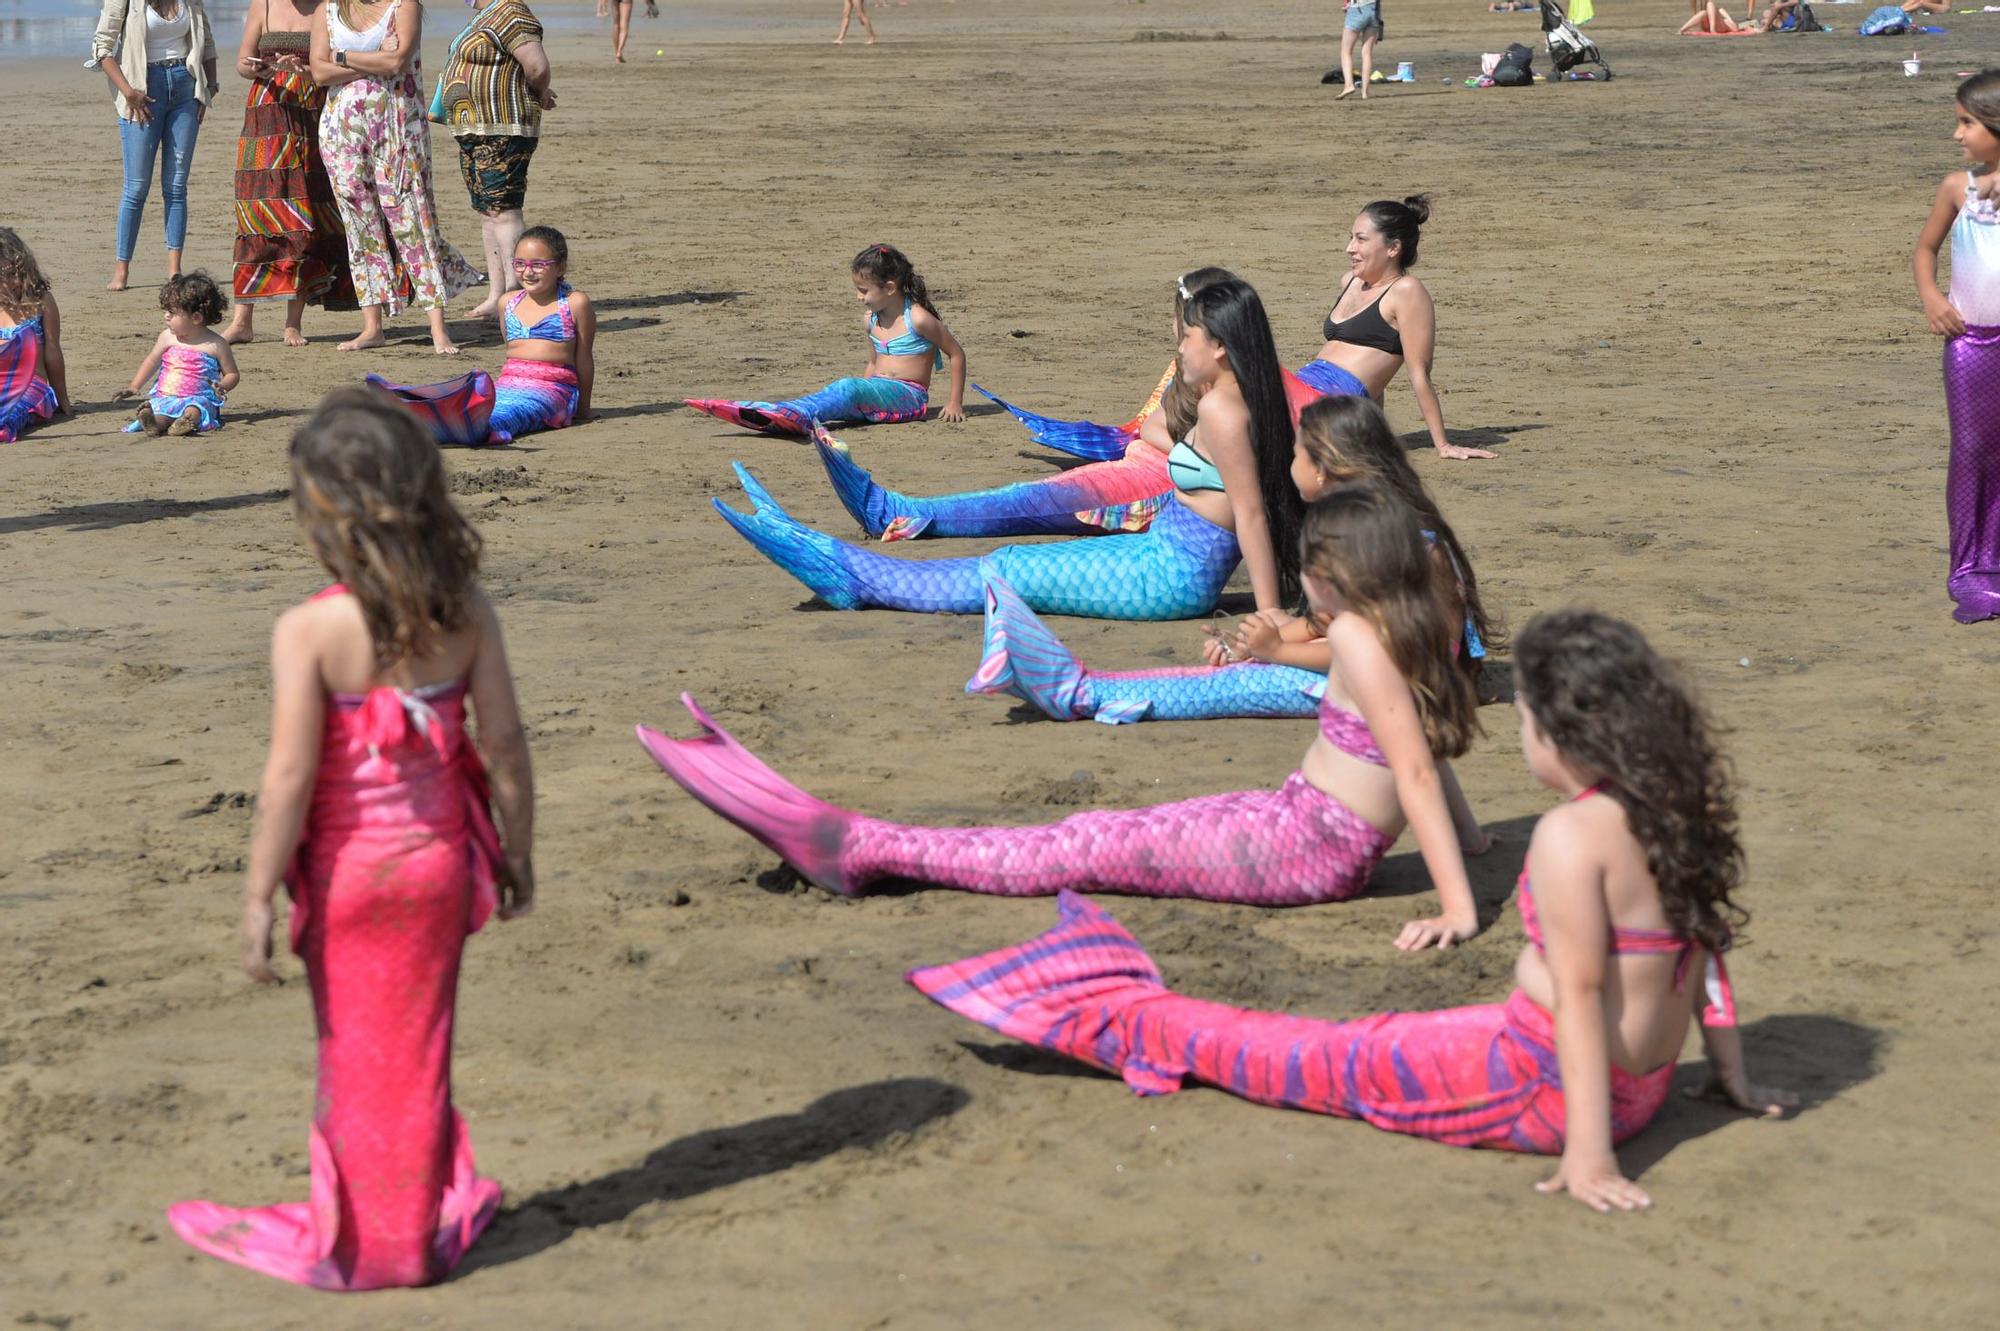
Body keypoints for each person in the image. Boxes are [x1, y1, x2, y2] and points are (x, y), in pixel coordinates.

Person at [913, 609, 1795, 1210]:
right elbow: (1703, 956)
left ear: (1567, 732)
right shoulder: (1667, 811)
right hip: (1637, 1088)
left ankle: (1120, 1010)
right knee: (1357, 1039)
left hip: (1545, 1088)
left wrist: (1590, 1156)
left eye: (1527, 721)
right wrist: (1730, 1076)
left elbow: (1578, 990)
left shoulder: (1573, 838)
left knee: (1306, 1054)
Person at [643, 483, 1486, 941]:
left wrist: (1456, 904)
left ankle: (869, 849)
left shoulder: (1366, 645)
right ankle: (874, 845)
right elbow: (1420, 753)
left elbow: (1411, 768)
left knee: (1083, 844)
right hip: (1294, 822)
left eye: (1312, 570)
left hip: (1306, 847)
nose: (1301, 584)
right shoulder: (1393, 634)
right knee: (1103, 833)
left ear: (1344, 573)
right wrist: (1476, 842)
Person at [166, 389, 535, 1289]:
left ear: (321, 513)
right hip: (441, 866)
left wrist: (258, 896)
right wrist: (518, 850)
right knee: (421, 1053)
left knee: (355, 1052)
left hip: (348, 880)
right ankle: (404, 1224)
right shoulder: (464, 610)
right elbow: (505, 742)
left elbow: (289, 779)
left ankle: (377, 1242)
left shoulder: (309, 630)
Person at [713, 276, 1305, 621]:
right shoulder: (1228, 397)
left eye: (1189, 333)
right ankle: (866, 570)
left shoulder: (1226, 410)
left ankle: (862, 580)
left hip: (1171, 576)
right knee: (1010, 564)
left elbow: (1253, 513)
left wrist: (1269, 617)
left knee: (1010, 571)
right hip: (1164, 556)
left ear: (1222, 345)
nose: (1178, 343)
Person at [973, 394, 1497, 725]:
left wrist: (1276, 653)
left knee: (1218, 688)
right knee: (1234, 671)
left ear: (1326, 468)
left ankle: (1078, 690)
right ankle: (1076, 685)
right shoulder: (1385, 520)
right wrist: (1257, 642)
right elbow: (1333, 624)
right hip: (1410, 676)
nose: (1287, 463)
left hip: (1404, 691)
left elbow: (1361, 648)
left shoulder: (1380, 538)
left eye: (1297, 453)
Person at [808, 266, 1323, 542]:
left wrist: (1167, 444)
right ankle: (904, 511)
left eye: (1179, 321)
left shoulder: (1248, 386)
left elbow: (1286, 458)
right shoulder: (1196, 365)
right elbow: (1155, 429)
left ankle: (900, 512)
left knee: (1033, 503)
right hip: (1142, 468)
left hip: (1155, 486)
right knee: (1032, 496)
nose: (1173, 331)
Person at [312, 0, 482, 355]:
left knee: (413, 219)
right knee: (360, 226)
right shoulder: (327, 9)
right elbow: (319, 72)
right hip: (340, 129)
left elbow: (397, 62)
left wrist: (341, 57)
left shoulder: (404, 5)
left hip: (399, 128)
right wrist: (370, 58)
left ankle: (438, 328)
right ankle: (372, 326)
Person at [686, 244, 967, 435]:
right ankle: (782, 412)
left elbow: (956, 354)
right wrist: (863, 390)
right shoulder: (870, 319)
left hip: (910, 398)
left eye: (864, 290)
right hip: (878, 394)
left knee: (846, 388)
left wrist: (954, 402)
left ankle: (793, 414)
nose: (859, 297)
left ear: (890, 287)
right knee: (845, 390)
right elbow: (873, 363)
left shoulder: (918, 319)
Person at [1300, 196, 1494, 461]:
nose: (1349, 248)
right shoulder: (1350, 283)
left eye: (1361, 239)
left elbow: (1419, 373)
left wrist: (1443, 445)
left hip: (1330, 404)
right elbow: (1374, 371)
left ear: (1393, 248)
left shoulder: (1407, 291)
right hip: (1304, 386)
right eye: (1350, 238)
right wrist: (1374, 430)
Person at [368, 225, 595, 444]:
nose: (528, 271)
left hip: (553, 390)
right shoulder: (508, 302)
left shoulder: (574, 303)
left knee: (510, 413)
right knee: (476, 402)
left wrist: (583, 408)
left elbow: (584, 358)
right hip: (508, 383)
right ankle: (415, 409)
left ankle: (456, 427)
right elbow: (511, 351)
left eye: (538, 264)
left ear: (560, 267)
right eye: (519, 264)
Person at [219, 0, 358, 347]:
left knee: (305, 213)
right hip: (265, 117)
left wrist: (303, 70)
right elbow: (241, 62)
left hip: (310, 114)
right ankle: (242, 320)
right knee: (256, 217)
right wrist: (255, 69)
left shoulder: (330, 9)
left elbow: (337, 66)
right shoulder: (263, 5)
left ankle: (292, 323)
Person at [1915, 71, 2000, 624]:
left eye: (1966, 122)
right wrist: (1931, 297)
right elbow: (1924, 250)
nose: (1958, 134)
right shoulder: (1957, 188)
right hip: (1970, 346)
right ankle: (1971, 570)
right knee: (1972, 454)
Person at [432, 0, 554, 320]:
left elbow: (537, 66)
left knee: (503, 211)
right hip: (474, 130)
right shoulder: (484, 16)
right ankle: (497, 294)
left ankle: (518, 296)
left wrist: (539, 92)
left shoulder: (511, 11)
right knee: (488, 213)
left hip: (503, 128)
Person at [90, 0, 220, 293]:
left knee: (176, 186)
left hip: (186, 87)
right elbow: (102, 48)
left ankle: (174, 271)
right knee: (136, 187)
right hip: (142, 88)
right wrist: (128, 92)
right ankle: (121, 270)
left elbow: (206, 42)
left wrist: (210, 87)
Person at [119, 272, 239, 436]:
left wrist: (222, 386)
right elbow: (151, 361)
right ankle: (154, 424)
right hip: (166, 397)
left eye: (172, 312)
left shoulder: (216, 344)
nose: (166, 316)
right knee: (160, 413)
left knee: (194, 410)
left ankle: (184, 423)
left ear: (196, 317)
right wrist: (134, 386)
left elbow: (232, 374)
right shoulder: (167, 337)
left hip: (199, 397)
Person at [0, 230, 71, 444]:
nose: (14, 282)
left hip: (34, 388)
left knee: (13, 411)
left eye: (17, 273)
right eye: (4, 276)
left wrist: (63, 399)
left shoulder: (41, 302)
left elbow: (52, 351)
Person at [1336, 0, 1383, 100]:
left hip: (1357, 9)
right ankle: (1365, 92)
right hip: (1374, 11)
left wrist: (1346, 3)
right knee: (1367, 53)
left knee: (1346, 51)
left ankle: (1348, 85)